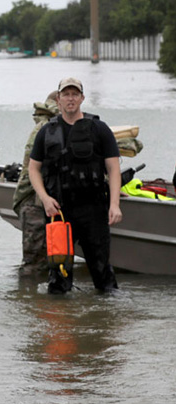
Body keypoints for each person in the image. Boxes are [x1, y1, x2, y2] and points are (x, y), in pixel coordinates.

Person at [28, 77, 122, 294]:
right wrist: (45, 199)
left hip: (94, 209)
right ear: (58, 99)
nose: (70, 99)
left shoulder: (99, 129)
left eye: (75, 94)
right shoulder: (46, 131)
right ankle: (59, 313)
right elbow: (33, 169)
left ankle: (107, 313)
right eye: (66, 94)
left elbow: (113, 168)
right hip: (59, 211)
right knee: (59, 274)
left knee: (103, 273)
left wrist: (114, 204)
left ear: (82, 98)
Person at [12, 91, 59, 275]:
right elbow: (34, 169)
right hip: (34, 202)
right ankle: (28, 292)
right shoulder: (45, 129)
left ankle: (33, 293)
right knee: (35, 264)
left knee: (52, 260)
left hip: (43, 201)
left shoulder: (50, 126)